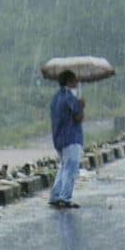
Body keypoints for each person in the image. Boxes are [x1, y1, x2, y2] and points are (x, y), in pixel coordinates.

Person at [48, 71, 86, 208]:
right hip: (72, 137)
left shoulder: (55, 98)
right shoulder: (70, 98)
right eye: (74, 80)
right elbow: (78, 117)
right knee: (71, 168)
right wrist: (81, 105)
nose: (76, 82)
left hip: (59, 138)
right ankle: (65, 197)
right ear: (69, 81)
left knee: (63, 167)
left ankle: (56, 195)